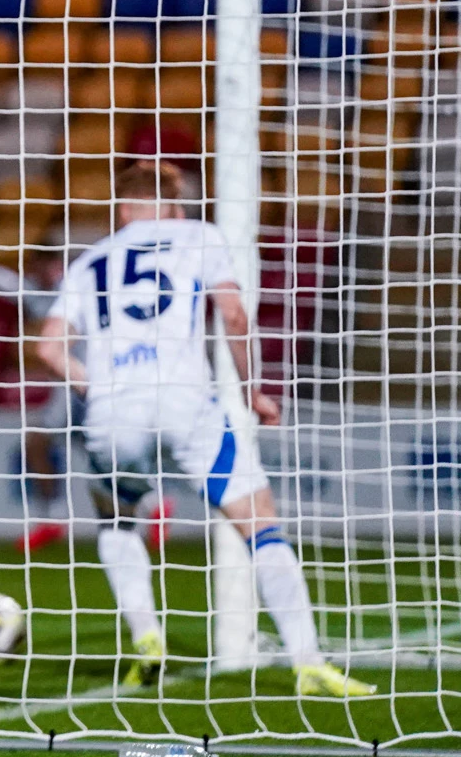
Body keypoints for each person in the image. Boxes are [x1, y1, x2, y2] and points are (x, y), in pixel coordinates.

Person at [34, 160, 374, 696]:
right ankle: (308, 661)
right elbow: (235, 316)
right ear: (175, 205)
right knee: (259, 522)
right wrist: (253, 390)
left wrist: (89, 384)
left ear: (122, 208)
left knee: (117, 519)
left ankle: (147, 636)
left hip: (113, 409)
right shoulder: (199, 235)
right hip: (185, 400)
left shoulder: (92, 260)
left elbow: (48, 349)